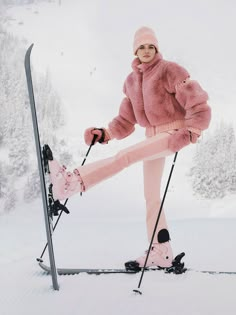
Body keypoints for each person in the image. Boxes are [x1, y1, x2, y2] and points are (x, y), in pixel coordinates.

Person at [48, 26, 211, 269]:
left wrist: (190, 131)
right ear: (135, 50)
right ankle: (162, 251)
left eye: (150, 46)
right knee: (151, 196)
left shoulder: (170, 70)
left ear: (156, 48)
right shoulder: (131, 81)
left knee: (124, 157)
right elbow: (126, 120)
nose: (146, 51)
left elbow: (197, 101)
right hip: (152, 136)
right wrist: (105, 133)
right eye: (141, 47)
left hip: (172, 133)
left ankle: (71, 182)